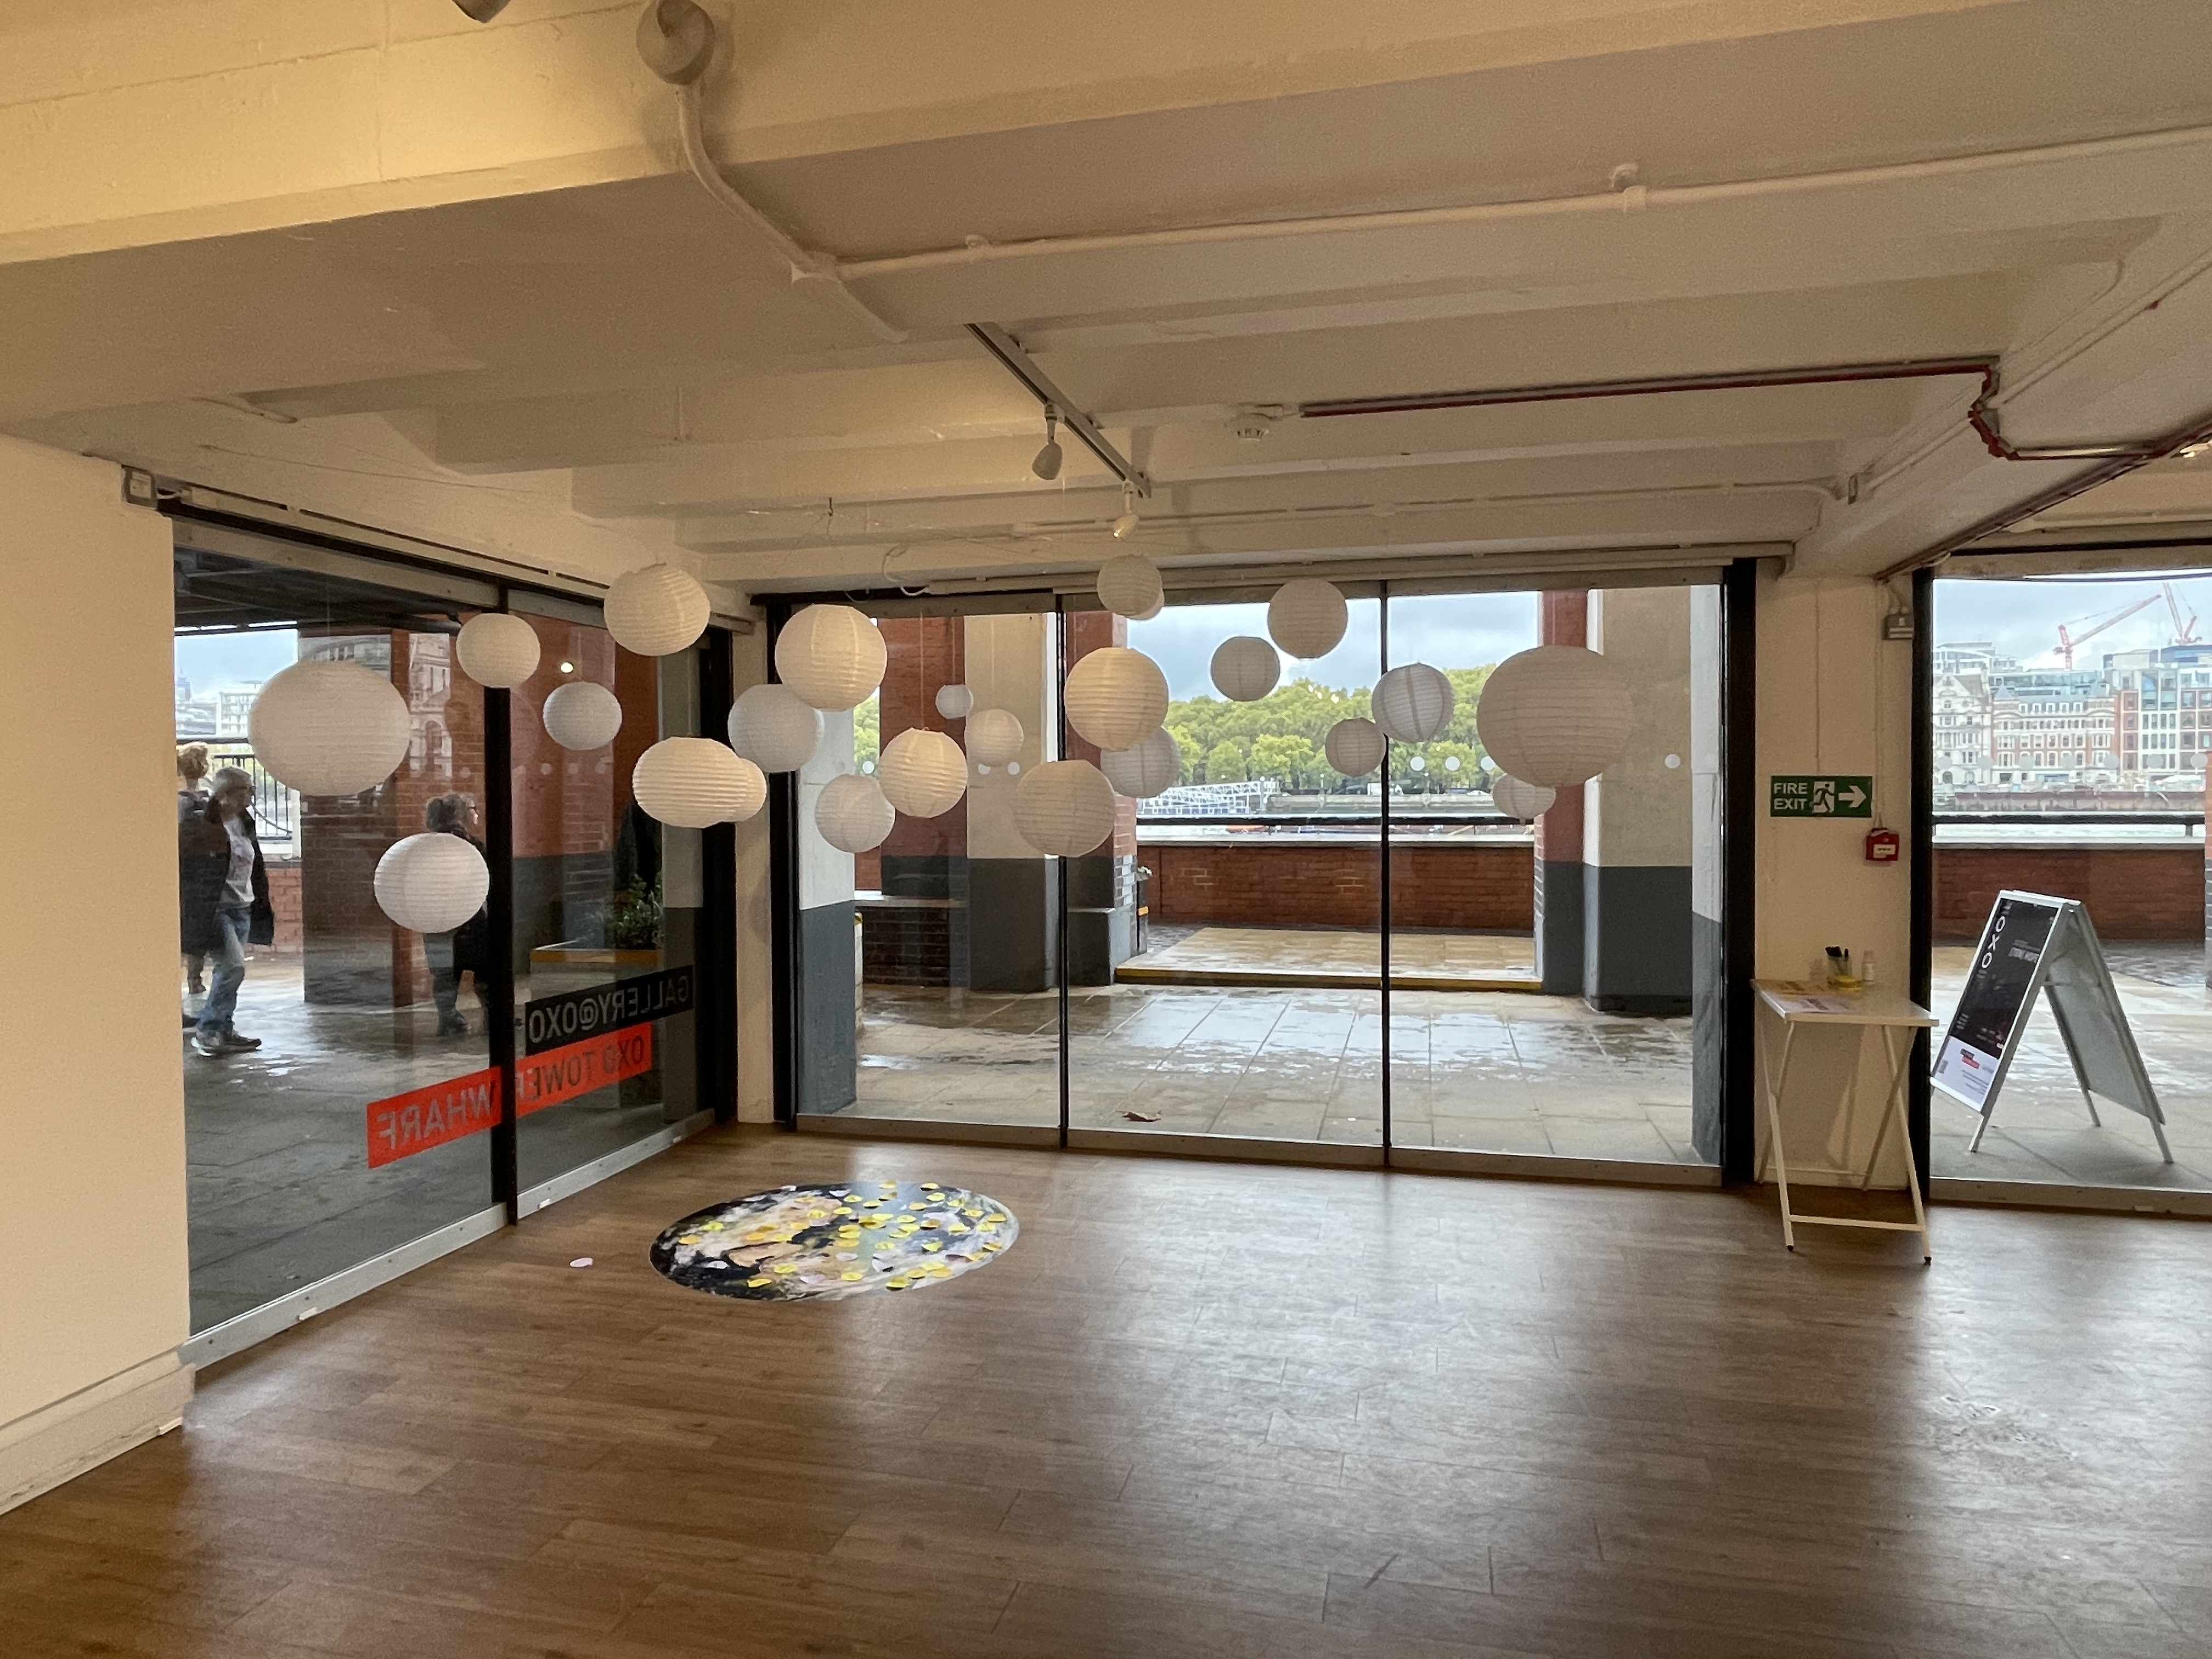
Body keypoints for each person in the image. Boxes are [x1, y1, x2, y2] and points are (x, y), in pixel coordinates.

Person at [180, 766, 274, 1057]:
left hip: (242, 906)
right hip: (215, 908)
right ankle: (209, 1029)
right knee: (233, 966)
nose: (252, 794)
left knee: (229, 971)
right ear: (228, 793)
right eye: (247, 789)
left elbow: (254, 866)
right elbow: (188, 868)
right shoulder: (201, 824)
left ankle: (223, 1028)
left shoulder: (245, 822)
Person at [424, 792, 489, 1038]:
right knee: (486, 971)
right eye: (473, 809)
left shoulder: (426, 846)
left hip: (436, 920)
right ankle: (493, 1017)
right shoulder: (469, 845)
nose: (477, 814)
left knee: (445, 974)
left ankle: (448, 1019)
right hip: (470, 919)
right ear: (461, 815)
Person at [176, 743, 213, 1026]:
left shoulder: (180, 798)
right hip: (198, 870)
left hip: (188, 870)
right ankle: (194, 979)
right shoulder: (203, 795)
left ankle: (193, 979)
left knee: (190, 928)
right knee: (195, 928)